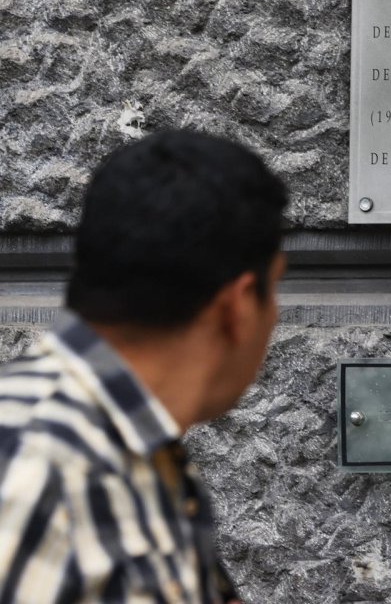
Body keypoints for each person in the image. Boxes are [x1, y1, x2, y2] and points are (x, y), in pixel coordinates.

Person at [0, 130, 288, 603]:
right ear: (237, 308)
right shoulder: (43, 478)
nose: (274, 315)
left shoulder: (131, 446)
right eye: (274, 287)